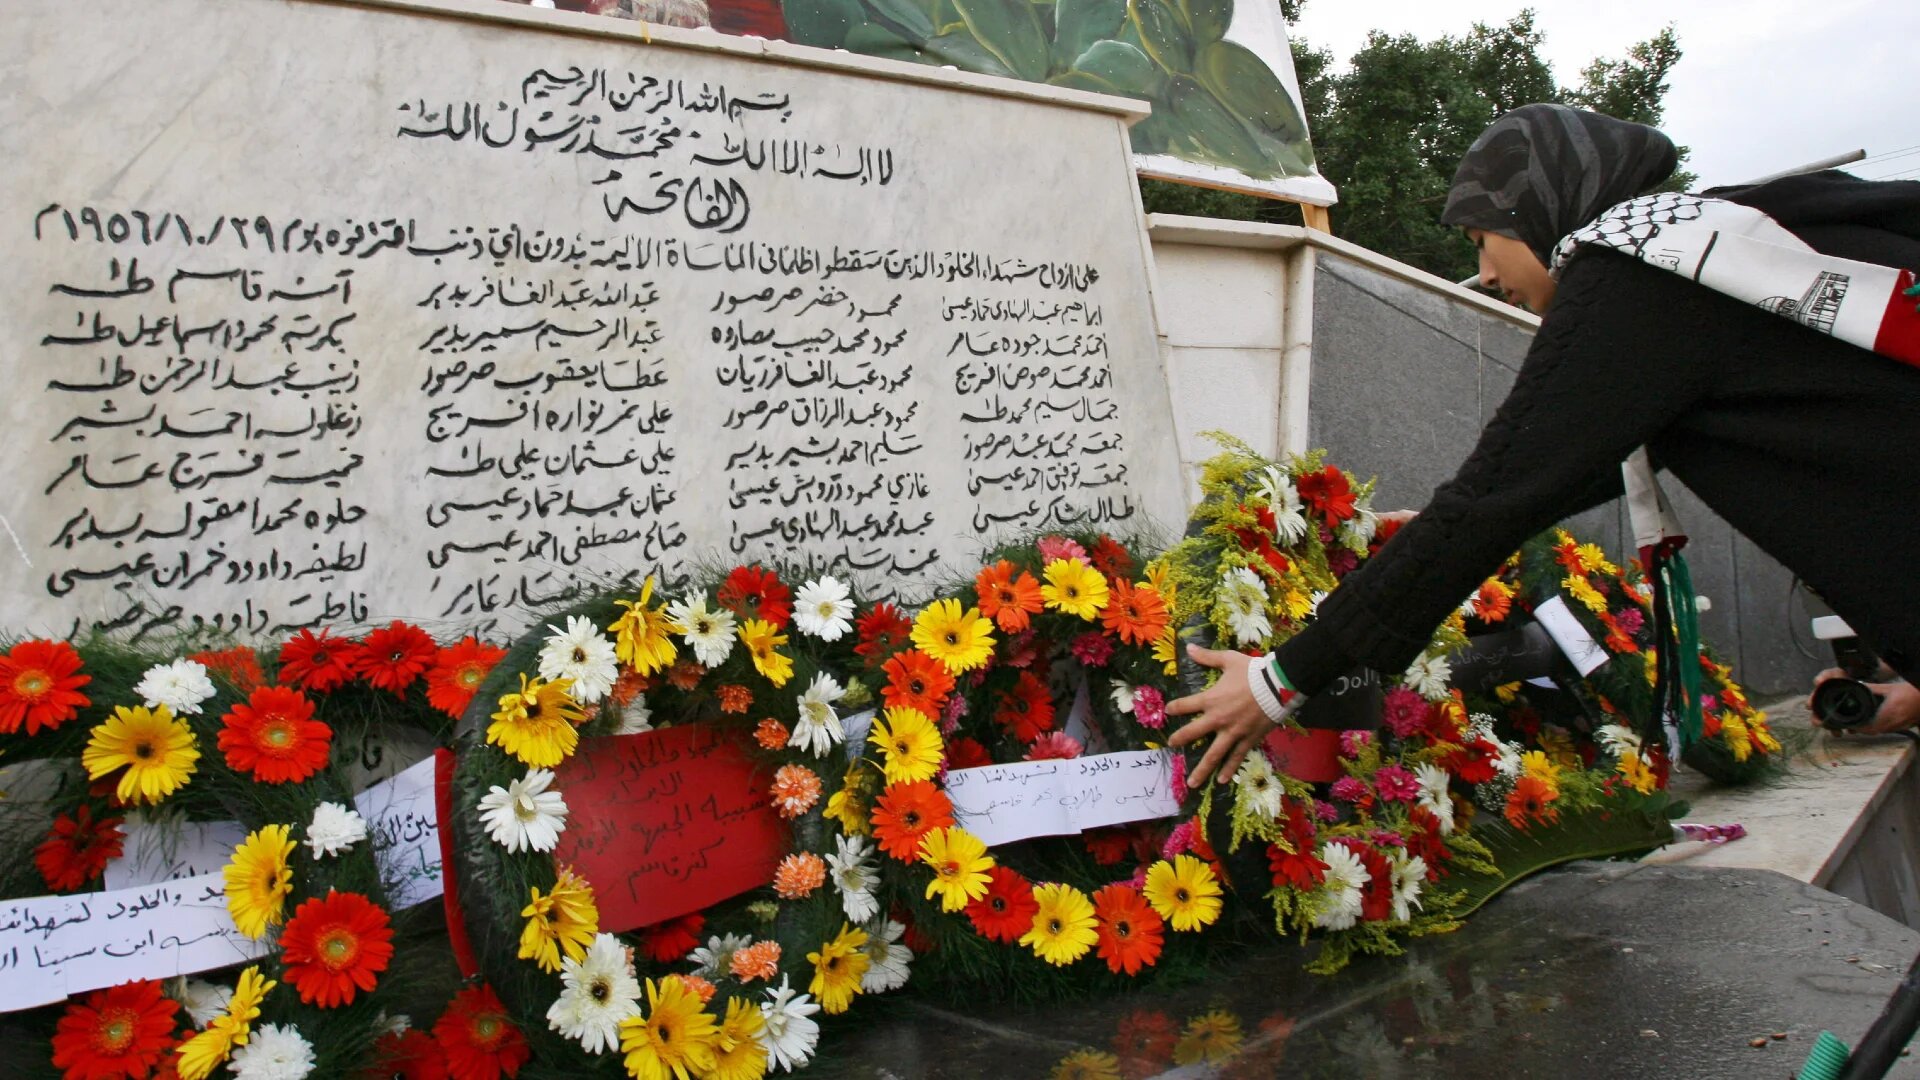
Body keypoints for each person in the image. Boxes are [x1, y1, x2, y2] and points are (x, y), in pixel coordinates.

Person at [1168, 103, 1920, 788]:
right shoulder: (1703, 251)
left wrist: (1279, 681)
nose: (1488, 274)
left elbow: (1498, 495)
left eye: (1482, 240)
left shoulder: (1634, 273)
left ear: (1535, 207)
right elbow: (1556, 480)